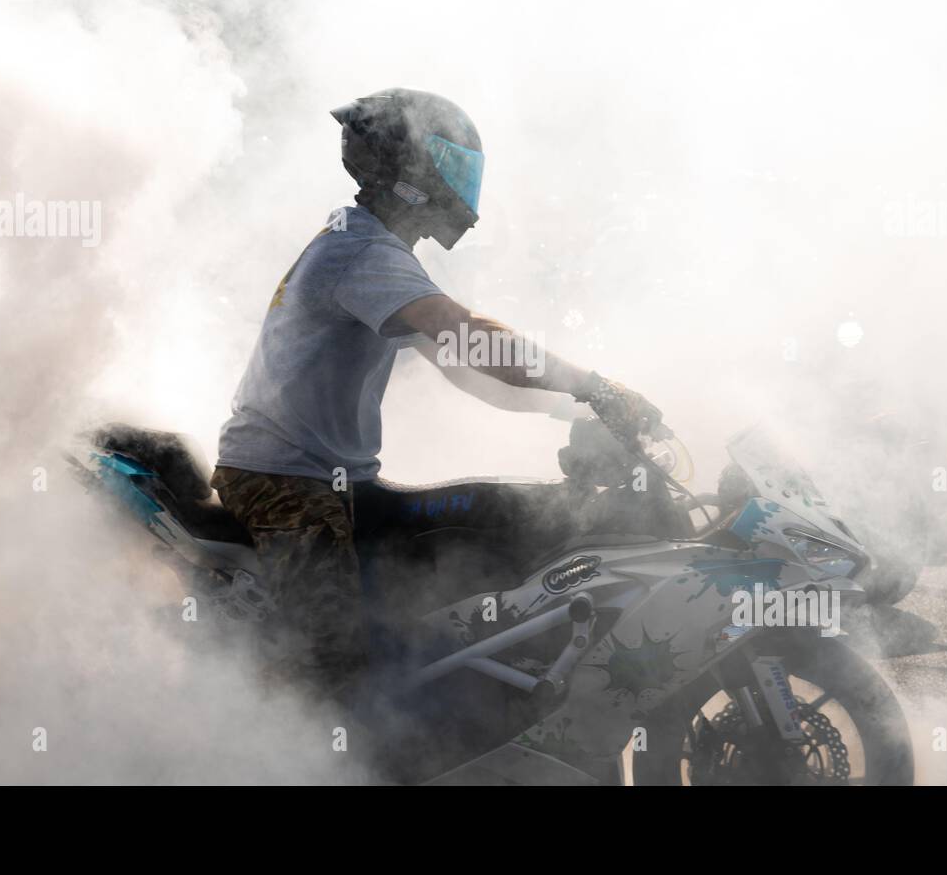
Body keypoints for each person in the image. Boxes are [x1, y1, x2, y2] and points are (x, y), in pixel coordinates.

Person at [212, 88, 661, 699]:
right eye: (450, 166)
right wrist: (595, 387)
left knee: (484, 516)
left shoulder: (375, 250)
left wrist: (576, 412)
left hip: (334, 476)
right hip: (285, 480)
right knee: (330, 667)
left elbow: (471, 375)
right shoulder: (363, 250)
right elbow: (474, 340)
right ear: (410, 169)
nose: (461, 187)